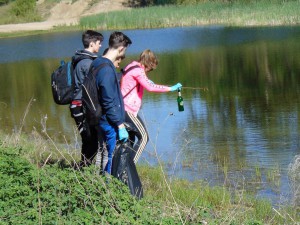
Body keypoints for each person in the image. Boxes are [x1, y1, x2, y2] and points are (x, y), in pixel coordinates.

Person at [120, 49, 182, 164]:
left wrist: (147, 81)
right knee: (144, 138)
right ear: (148, 63)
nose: (150, 71)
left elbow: (139, 82)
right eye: (151, 68)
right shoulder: (139, 71)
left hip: (124, 108)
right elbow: (150, 88)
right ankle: (130, 167)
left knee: (130, 140)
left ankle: (123, 166)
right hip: (127, 109)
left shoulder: (133, 65)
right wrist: (171, 88)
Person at [90, 31, 132, 174]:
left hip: (101, 118)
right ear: (121, 49)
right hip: (109, 122)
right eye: (124, 50)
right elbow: (108, 100)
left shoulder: (97, 62)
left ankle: (98, 182)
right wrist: (120, 125)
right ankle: (108, 188)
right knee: (111, 157)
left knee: (103, 154)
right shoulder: (107, 69)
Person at [70, 30, 103, 168]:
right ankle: (84, 170)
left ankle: (83, 169)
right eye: (99, 43)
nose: (100, 46)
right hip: (80, 105)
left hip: (78, 104)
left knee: (88, 140)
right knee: (92, 140)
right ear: (91, 43)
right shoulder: (87, 62)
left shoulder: (80, 58)